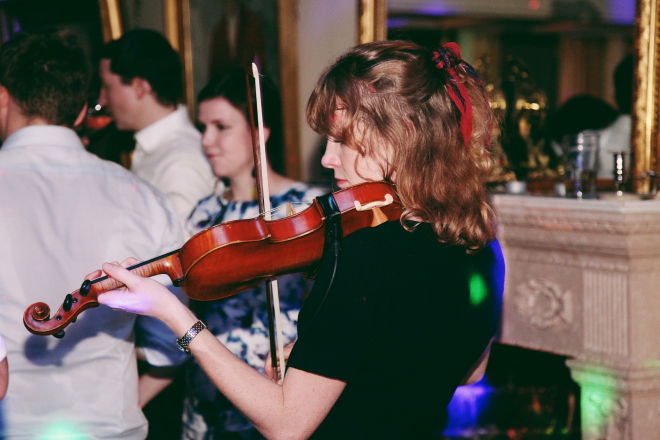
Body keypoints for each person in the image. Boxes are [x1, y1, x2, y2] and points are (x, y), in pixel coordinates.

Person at [97, 40, 505, 439]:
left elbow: (287, 425)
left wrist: (174, 313)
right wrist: (332, 358)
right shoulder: (481, 245)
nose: (327, 158)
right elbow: (469, 371)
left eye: (342, 140)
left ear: (402, 135)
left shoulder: (365, 252)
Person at [0, 31, 187, 438]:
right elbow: (172, 339)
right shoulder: (142, 196)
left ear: (2, 98)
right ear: (82, 111)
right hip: (111, 428)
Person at [183, 68, 326, 439]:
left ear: (259, 132)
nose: (207, 141)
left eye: (221, 127)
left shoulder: (304, 208)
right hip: (208, 399)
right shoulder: (203, 214)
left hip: (279, 396)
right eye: (203, 128)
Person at [99, 28, 215, 226]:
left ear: (139, 87)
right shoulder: (157, 149)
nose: (102, 100)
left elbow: (182, 241)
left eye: (107, 87)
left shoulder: (181, 160)